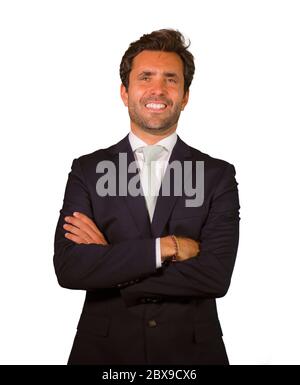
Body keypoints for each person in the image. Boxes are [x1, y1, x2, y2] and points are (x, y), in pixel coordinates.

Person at [53, 29, 240, 365]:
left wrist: (110, 261)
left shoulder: (217, 176)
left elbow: (215, 275)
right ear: (125, 92)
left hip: (193, 356)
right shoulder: (87, 171)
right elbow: (70, 269)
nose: (158, 89)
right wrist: (165, 248)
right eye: (146, 77)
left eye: (171, 79)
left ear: (185, 96)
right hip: (103, 354)